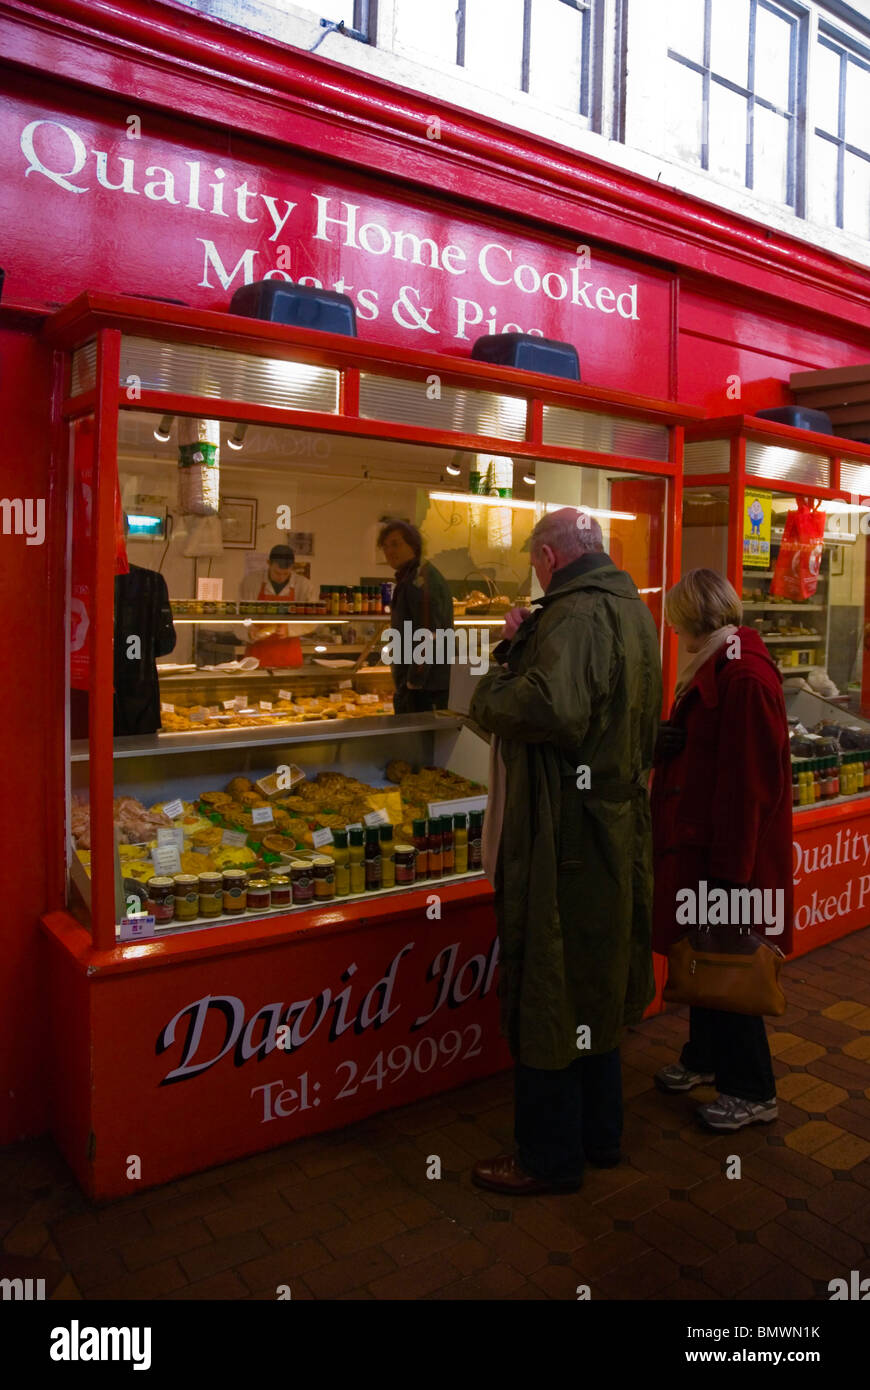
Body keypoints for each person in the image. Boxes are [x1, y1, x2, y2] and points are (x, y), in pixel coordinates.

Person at [468, 507, 662, 1194]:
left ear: (549, 558)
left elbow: (550, 711)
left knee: (551, 986)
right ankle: (600, 1135)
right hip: (614, 825)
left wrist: (496, 672)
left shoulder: (574, 616)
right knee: (596, 986)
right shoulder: (631, 610)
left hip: (564, 832)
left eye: (533, 563)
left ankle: (547, 1157)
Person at [651, 568, 793, 1131]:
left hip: (729, 861)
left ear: (693, 621)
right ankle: (704, 1058)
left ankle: (753, 1089)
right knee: (702, 954)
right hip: (703, 848)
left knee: (731, 966)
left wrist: (732, 875)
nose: (674, 634)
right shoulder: (719, 663)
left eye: (677, 623)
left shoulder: (744, 678)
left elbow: (751, 784)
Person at [378, 520, 454, 714]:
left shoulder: (421, 580)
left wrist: (413, 683)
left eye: (395, 544)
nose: (389, 551)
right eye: (385, 546)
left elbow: (429, 634)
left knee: (421, 743)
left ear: (413, 545)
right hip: (417, 685)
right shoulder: (409, 578)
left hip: (426, 689)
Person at [114, 564, 177, 735]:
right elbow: (166, 644)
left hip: (91, 701)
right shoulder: (151, 580)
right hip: (139, 699)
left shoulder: (76, 577)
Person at [237, 543, 318, 668]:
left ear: (292, 567)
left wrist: (290, 628)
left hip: (289, 657)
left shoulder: (304, 586)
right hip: (256, 657)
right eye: (277, 573)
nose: (281, 578)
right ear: (268, 563)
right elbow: (239, 615)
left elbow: (313, 619)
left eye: (286, 574)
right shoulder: (251, 582)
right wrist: (249, 629)